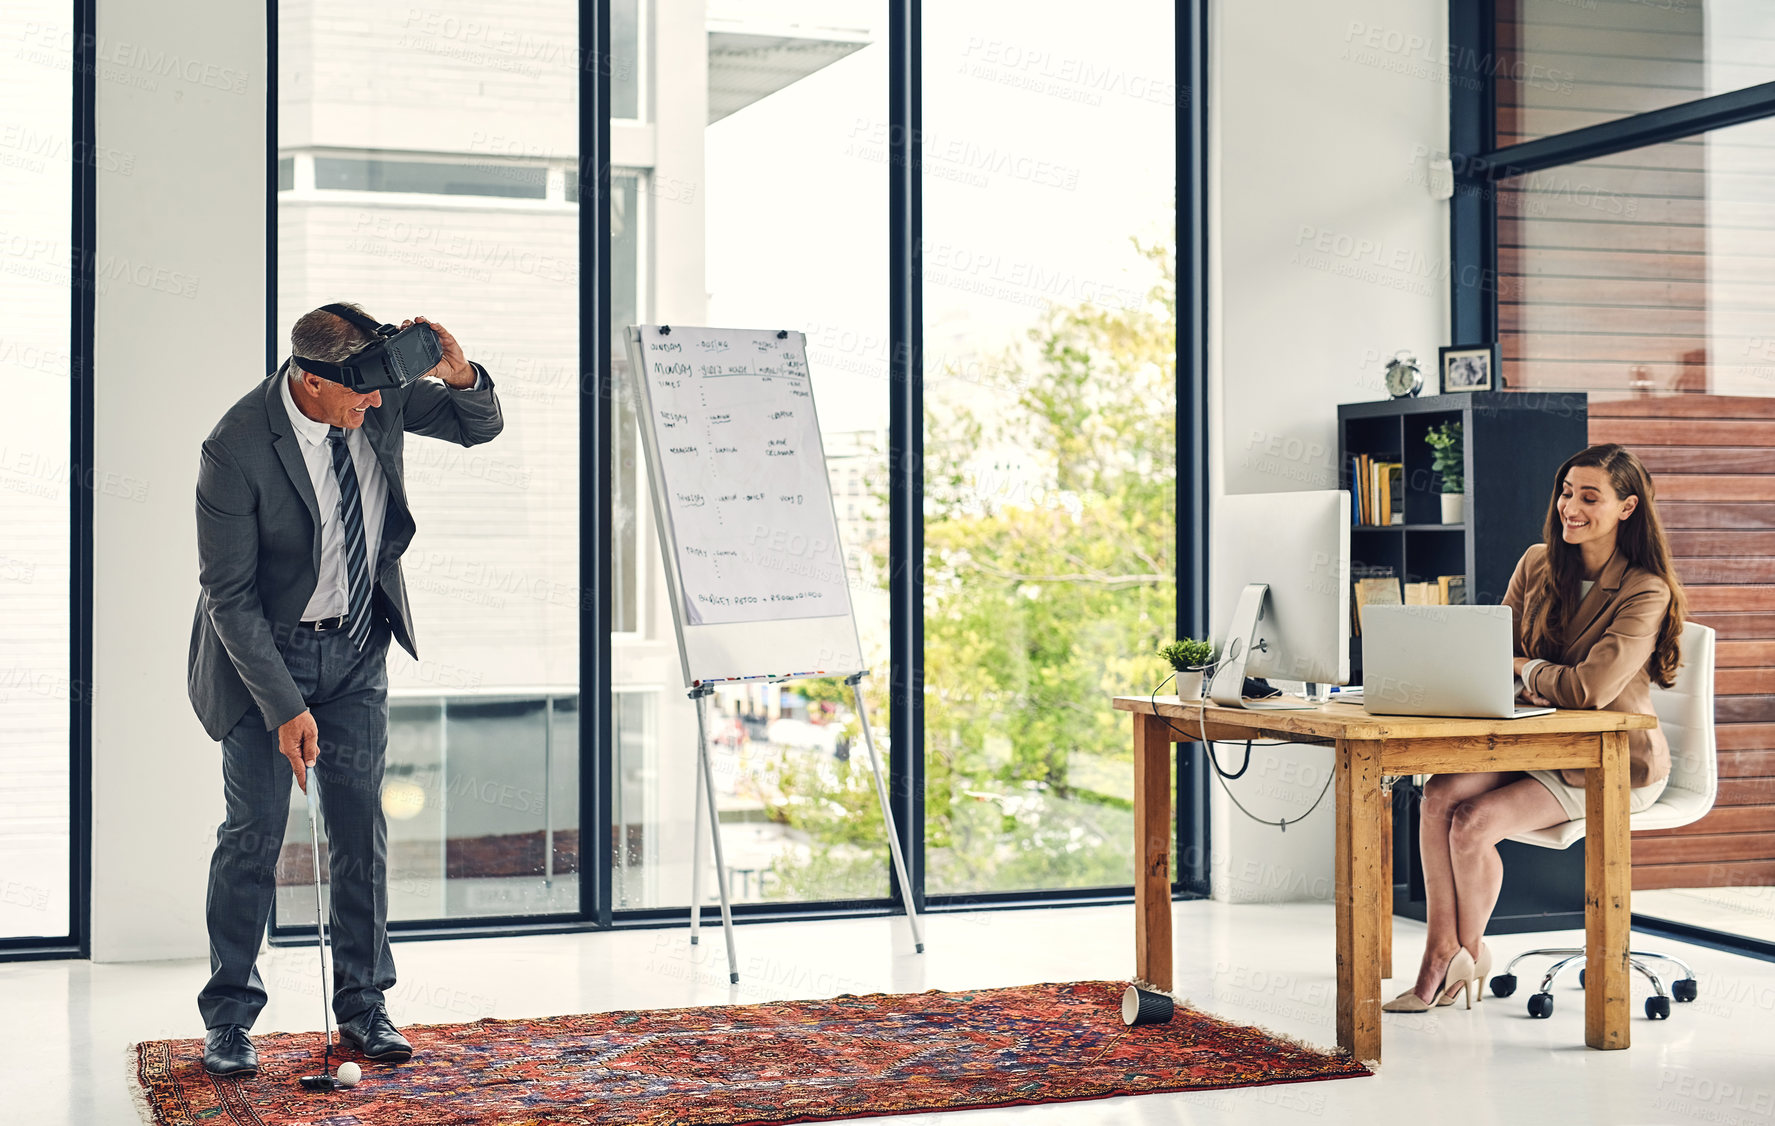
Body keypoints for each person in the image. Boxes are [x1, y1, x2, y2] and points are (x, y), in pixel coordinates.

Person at [189, 304, 504, 1075]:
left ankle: (364, 1006)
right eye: (358, 397)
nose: (374, 407)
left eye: (377, 395)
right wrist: (284, 706)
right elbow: (230, 598)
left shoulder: (377, 390)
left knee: (360, 830)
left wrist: (460, 373)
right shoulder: (234, 448)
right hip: (266, 656)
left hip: (360, 644)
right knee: (254, 838)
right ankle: (229, 1018)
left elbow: (476, 426)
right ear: (310, 379)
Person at [1384, 443, 1686, 1012]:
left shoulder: (1646, 589)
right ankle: (1441, 950)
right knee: (1437, 795)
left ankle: (1457, 959)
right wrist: (1529, 669)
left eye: (1589, 497)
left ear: (1627, 508)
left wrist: (1527, 669)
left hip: (1610, 761)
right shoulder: (1537, 562)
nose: (1571, 506)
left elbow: (1587, 690)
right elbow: (1495, 655)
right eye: (1567, 492)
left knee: (1473, 821)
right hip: (1533, 744)